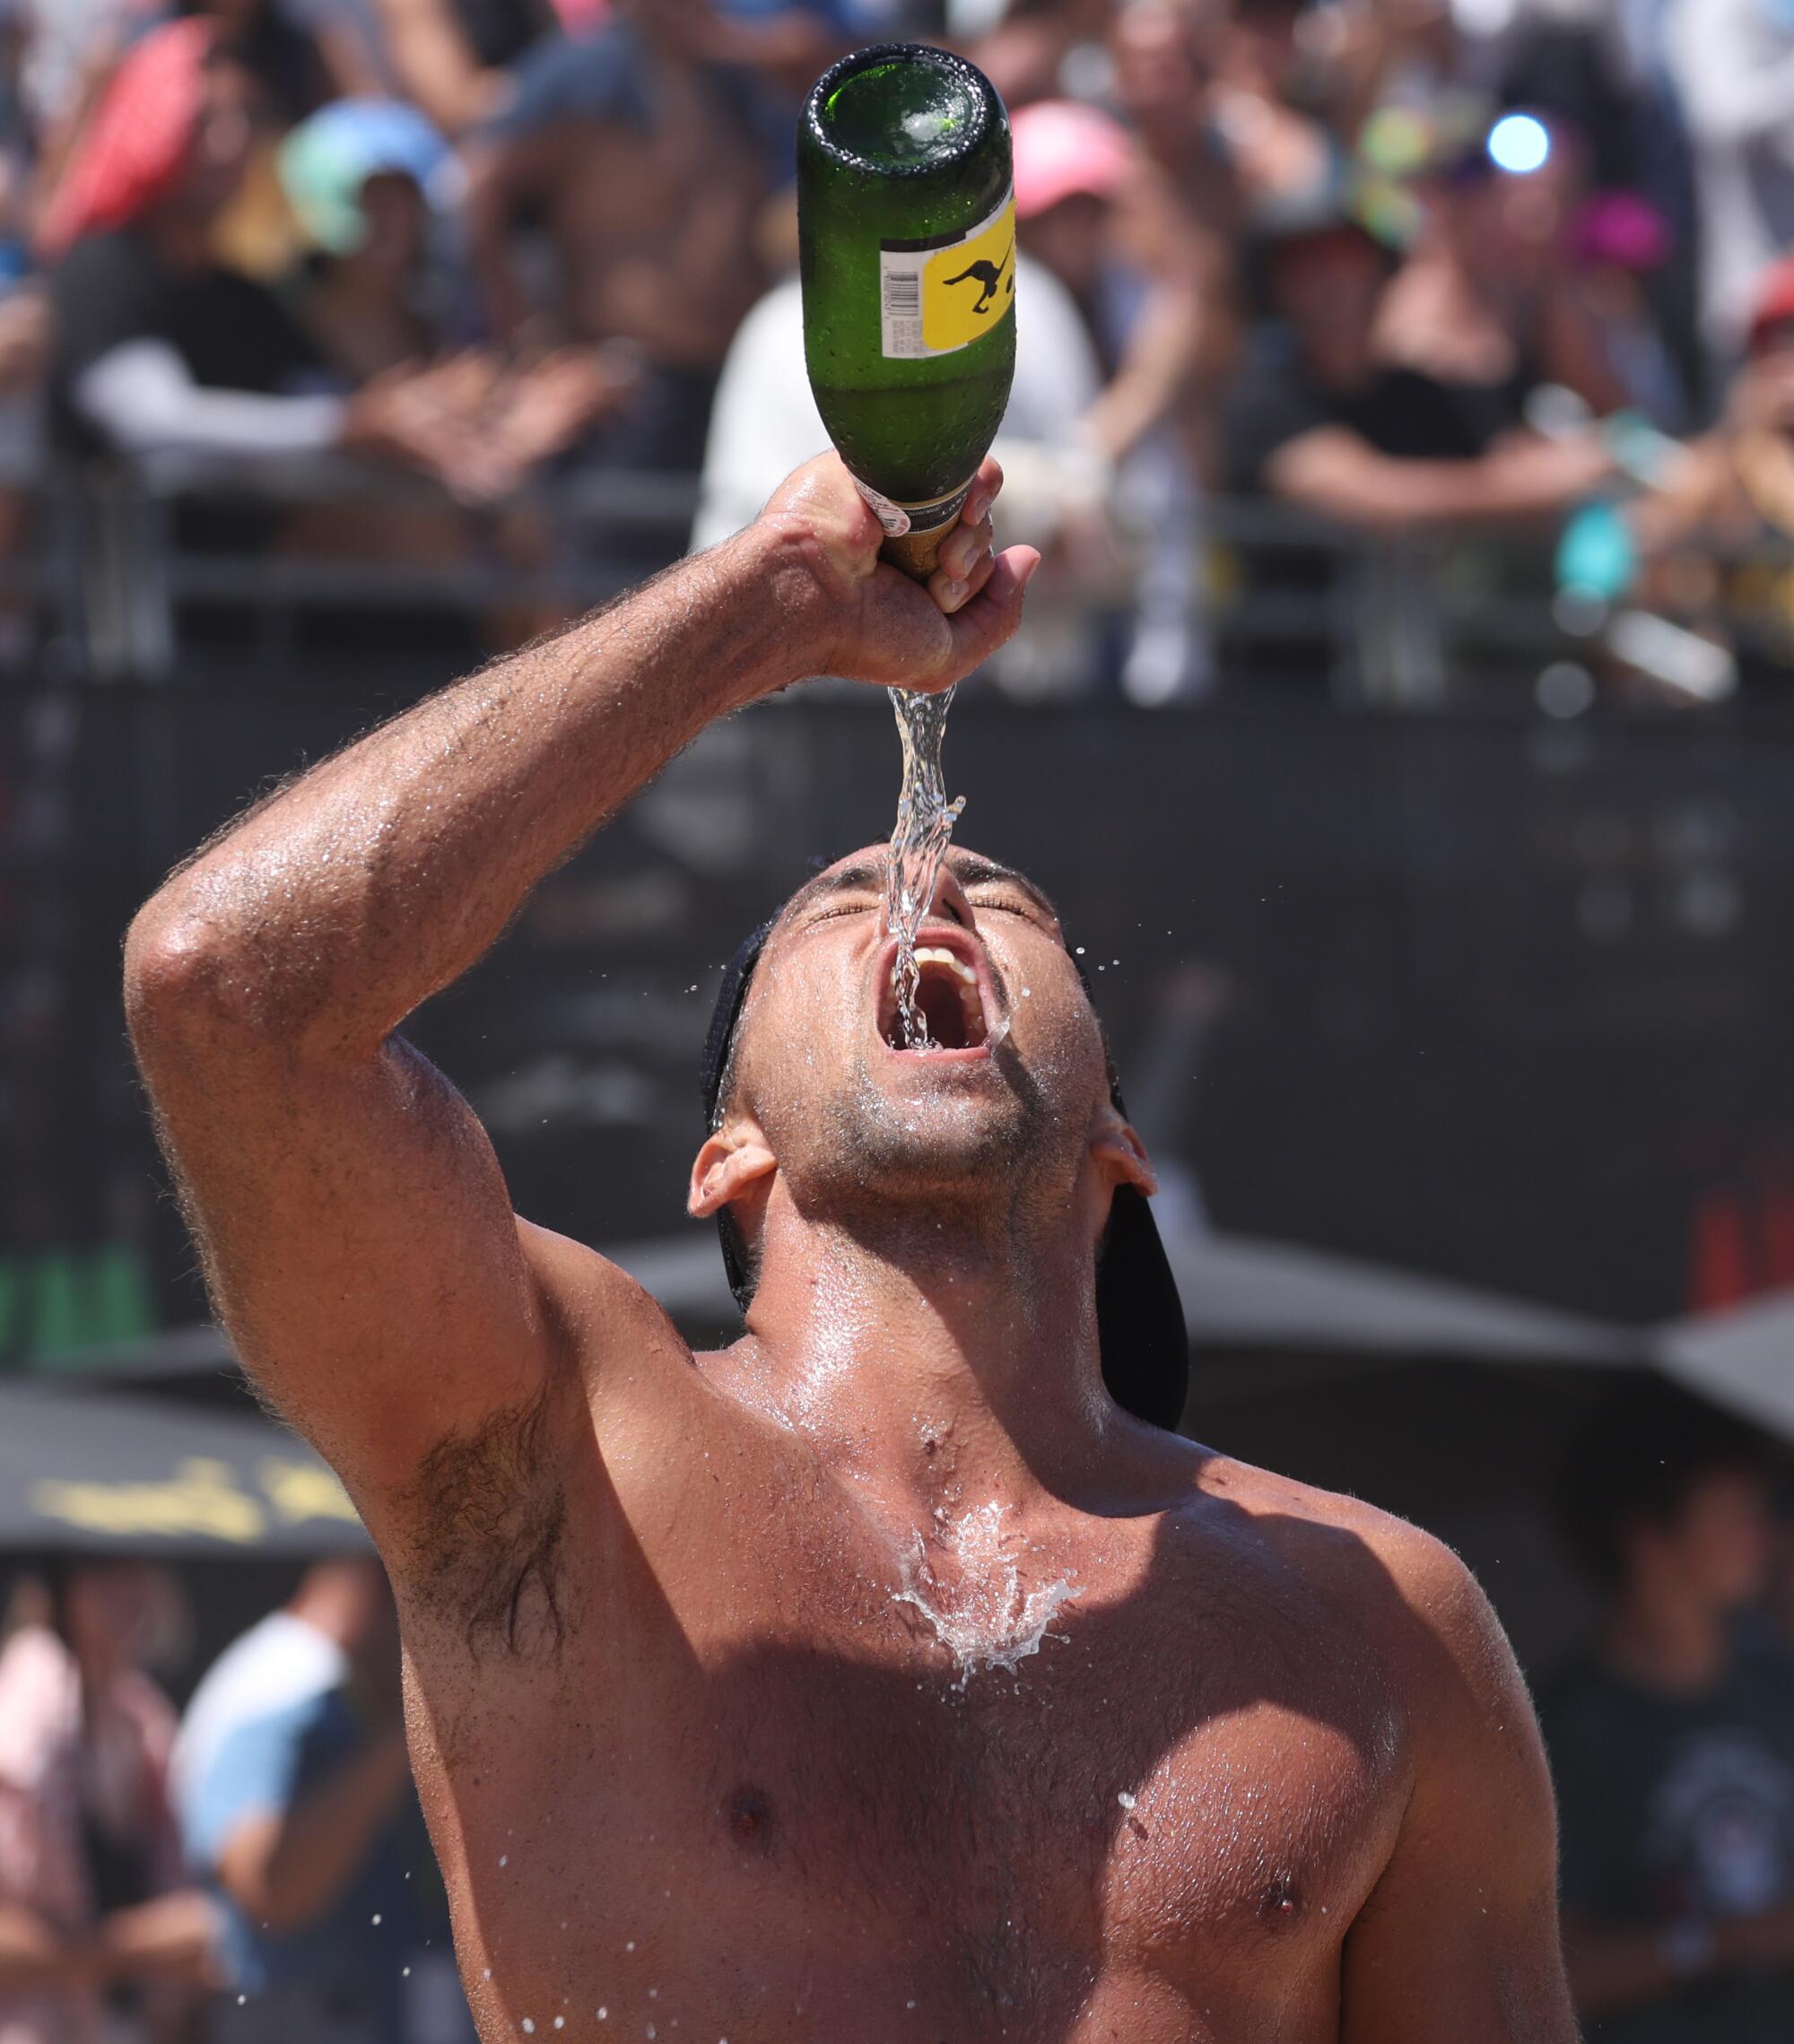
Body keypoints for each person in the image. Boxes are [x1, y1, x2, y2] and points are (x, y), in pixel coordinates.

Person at [122, 448, 1580, 2042]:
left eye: (1004, 900)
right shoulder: (575, 1455)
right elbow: (229, 993)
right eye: (835, 910)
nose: (926, 885)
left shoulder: (1376, 1618)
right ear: (725, 1153)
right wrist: (766, 606)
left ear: (1119, 1135)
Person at [1542, 1384, 1794, 2043]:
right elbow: (1546, 1969)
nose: (1762, 1538)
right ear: (1648, 1537)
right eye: (1735, 1513)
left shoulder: (1780, 1686)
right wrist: (1723, 1941)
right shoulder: (1561, 1733)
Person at [175, 1559, 467, 2044]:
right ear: (370, 1590)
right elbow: (269, 1888)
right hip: (295, 2014)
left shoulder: (330, 1686)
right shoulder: (284, 1683)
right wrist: (404, 1735)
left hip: (367, 2006)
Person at [0, 1561, 216, 2044]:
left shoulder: (141, 1716)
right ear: (54, 1592)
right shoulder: (19, 1718)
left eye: (138, 1568)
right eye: (102, 1572)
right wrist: (143, 1947)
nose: (131, 1593)